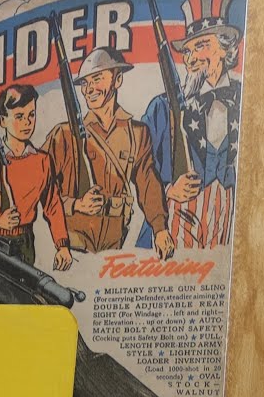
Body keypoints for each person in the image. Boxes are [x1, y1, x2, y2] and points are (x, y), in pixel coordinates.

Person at [136, 0, 242, 250]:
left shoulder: (243, 99)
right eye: (187, 51)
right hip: (173, 231)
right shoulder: (161, 108)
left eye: (201, 46)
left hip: (223, 231)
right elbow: (140, 170)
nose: (191, 59)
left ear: (225, 48)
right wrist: (169, 190)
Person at [46, 45, 174, 259]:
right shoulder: (64, 135)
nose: (89, 89)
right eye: (84, 83)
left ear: (118, 80)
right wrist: (76, 204)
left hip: (114, 248)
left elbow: (148, 183)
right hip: (72, 250)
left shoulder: (137, 133)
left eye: (97, 79)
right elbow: (41, 188)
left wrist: (160, 229)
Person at [0, 82, 73, 270]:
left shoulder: (43, 161)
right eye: (19, 116)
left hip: (25, 244)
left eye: (31, 115)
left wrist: (62, 245)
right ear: (2, 121)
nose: (27, 122)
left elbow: (53, 206)